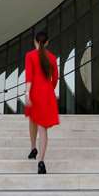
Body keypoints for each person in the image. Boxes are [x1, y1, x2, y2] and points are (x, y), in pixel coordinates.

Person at [24, 30, 59, 174]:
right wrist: (50, 89)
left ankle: (33, 147)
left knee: (33, 120)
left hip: (34, 92)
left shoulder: (30, 56)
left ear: (35, 41)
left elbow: (29, 76)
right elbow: (55, 78)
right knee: (42, 128)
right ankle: (41, 161)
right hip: (47, 94)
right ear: (48, 42)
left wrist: (27, 93)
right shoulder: (52, 57)